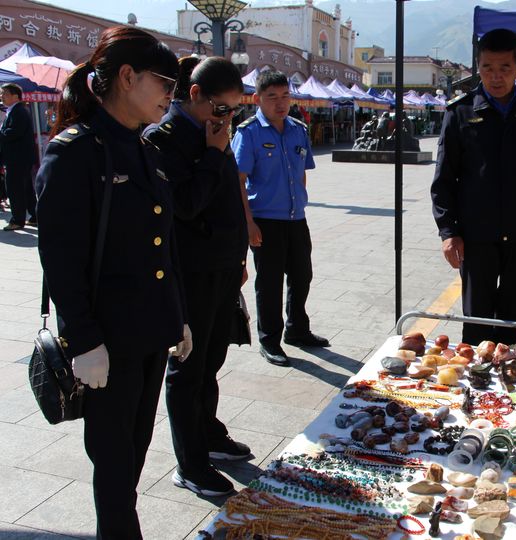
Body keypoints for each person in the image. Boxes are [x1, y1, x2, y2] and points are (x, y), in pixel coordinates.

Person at [35, 26, 188, 539]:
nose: (172, 92)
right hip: (107, 341)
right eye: (164, 80)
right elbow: (60, 255)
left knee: (133, 457)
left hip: (147, 334)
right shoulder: (75, 152)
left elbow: (161, 246)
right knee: (114, 464)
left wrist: (177, 314)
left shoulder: (144, 148)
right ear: (127, 77)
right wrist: (84, 339)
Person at [143, 56, 250, 497]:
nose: (227, 118)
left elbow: (228, 197)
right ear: (194, 96)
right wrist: (211, 154)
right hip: (191, 272)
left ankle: (208, 433)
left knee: (213, 359)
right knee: (188, 367)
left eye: (235, 110)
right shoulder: (163, 139)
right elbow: (186, 205)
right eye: (220, 108)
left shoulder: (216, 131)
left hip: (222, 266)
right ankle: (190, 463)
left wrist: (238, 257)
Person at [431, 28, 516, 345]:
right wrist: (448, 231)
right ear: (478, 66)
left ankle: (502, 390)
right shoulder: (460, 112)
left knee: (512, 320)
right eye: (487, 67)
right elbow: (443, 179)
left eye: (505, 68)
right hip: (476, 238)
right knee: (475, 321)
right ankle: (474, 386)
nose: (495, 77)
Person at [231, 70, 329, 366]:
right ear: (257, 99)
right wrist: (248, 223)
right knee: (270, 282)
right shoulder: (248, 132)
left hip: (295, 219)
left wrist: (298, 203)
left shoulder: (298, 129)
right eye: (272, 97)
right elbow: (238, 179)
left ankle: (297, 330)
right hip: (264, 220)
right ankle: (269, 340)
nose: (280, 103)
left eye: (285, 95)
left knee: (302, 276)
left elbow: (301, 174)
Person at [0, 83, 37, 230]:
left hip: (17, 158)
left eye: (5, 94)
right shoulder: (15, 111)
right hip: (19, 158)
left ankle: (17, 220)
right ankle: (34, 216)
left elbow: (13, 133)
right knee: (26, 189)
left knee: (15, 190)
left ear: (15, 96)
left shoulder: (19, 111)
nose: (2, 96)